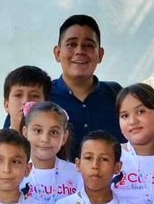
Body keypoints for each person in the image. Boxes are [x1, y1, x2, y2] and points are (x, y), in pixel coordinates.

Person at [50, 15, 124, 160]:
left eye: (89, 45)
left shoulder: (117, 95)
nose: (80, 51)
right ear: (58, 53)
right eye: (71, 44)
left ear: (100, 55)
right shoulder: (41, 96)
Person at [0, 65, 52, 183]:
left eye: (34, 96)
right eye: (18, 95)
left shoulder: (52, 147)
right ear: (6, 104)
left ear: (46, 104)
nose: (25, 101)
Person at [21, 101, 80, 204]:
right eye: (38, 130)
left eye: (53, 132)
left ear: (64, 137)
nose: (45, 139)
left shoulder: (77, 174)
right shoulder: (14, 173)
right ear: (25, 133)